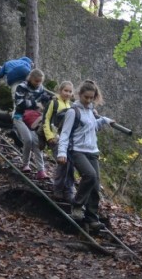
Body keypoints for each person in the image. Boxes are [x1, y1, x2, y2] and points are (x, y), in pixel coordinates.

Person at [56, 80, 113, 232]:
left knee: (95, 186)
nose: (88, 100)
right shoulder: (73, 112)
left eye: (91, 98)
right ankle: (77, 205)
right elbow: (65, 134)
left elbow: (91, 128)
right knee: (90, 175)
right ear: (79, 95)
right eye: (86, 97)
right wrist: (62, 152)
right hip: (77, 150)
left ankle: (92, 218)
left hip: (92, 151)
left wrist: (104, 121)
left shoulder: (90, 111)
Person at [13, 69, 53, 179]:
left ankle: (41, 170)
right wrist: (35, 103)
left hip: (33, 119)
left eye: (40, 81)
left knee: (36, 142)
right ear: (31, 78)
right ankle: (25, 163)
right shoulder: (21, 87)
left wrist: (48, 100)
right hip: (20, 117)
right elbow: (19, 103)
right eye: (36, 81)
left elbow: (44, 101)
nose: (38, 83)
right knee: (28, 140)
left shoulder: (41, 88)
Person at [44, 81, 76, 202]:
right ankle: (58, 188)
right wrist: (49, 136)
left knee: (69, 164)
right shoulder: (54, 102)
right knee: (62, 163)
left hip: (66, 139)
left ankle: (67, 189)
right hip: (55, 138)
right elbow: (46, 119)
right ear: (60, 90)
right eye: (65, 90)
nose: (67, 93)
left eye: (70, 91)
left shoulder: (71, 106)